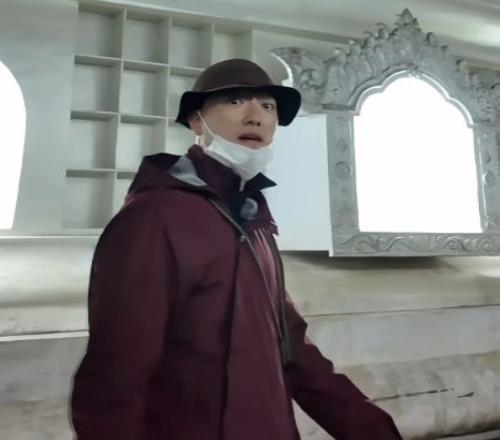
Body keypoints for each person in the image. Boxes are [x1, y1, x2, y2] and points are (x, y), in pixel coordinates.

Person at [71, 58, 402, 440]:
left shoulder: (252, 217)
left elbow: (293, 351)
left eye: (268, 106)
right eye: (235, 101)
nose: (255, 116)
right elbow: (116, 375)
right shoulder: (154, 217)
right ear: (197, 121)